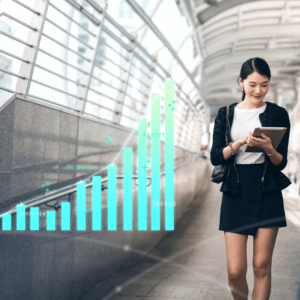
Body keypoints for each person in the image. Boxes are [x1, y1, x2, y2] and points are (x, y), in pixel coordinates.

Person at [210, 57, 291, 300]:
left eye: (264, 85)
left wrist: (269, 148)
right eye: (253, 84)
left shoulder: (278, 114)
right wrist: (237, 144)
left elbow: (281, 161)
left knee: (261, 266)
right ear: (241, 82)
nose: (258, 90)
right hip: (236, 191)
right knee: (235, 271)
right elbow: (216, 157)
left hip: (268, 190)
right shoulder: (225, 114)